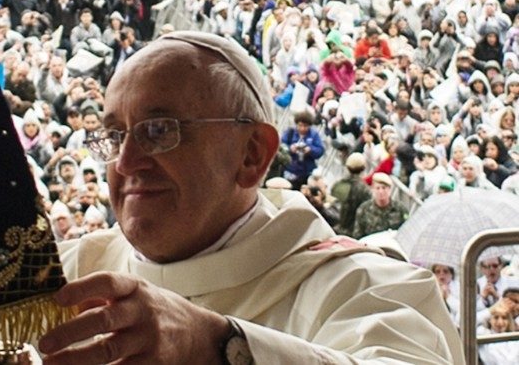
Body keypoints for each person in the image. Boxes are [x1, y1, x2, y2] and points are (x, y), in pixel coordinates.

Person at [40, 31, 462, 364]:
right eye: (114, 137)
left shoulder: (363, 286)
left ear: (252, 154)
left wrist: (217, 348)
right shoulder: (68, 273)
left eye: (160, 130)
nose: (127, 162)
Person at [352, 173, 408, 239]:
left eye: (384, 188)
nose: (381, 191)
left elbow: (406, 233)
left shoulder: (400, 209)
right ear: (372, 189)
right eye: (377, 188)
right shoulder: (364, 209)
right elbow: (357, 236)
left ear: (389, 189)